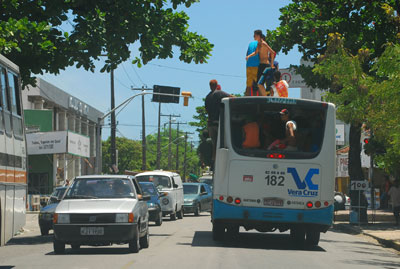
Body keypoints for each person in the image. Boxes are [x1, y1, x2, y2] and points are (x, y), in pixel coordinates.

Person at [205, 79, 231, 165]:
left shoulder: (207, 97)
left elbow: (206, 110)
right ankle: (221, 161)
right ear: (216, 85)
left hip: (210, 124)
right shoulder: (219, 93)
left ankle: (214, 160)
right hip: (218, 123)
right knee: (223, 143)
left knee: (214, 143)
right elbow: (231, 97)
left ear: (209, 86)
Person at [246, 30, 276, 96]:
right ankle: (265, 96)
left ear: (259, 36)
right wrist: (249, 56)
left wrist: (272, 64)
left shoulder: (264, 43)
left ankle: (267, 96)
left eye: (255, 35)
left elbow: (272, 52)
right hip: (261, 65)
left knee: (263, 83)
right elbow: (255, 52)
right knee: (258, 83)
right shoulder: (259, 44)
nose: (253, 36)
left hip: (265, 65)